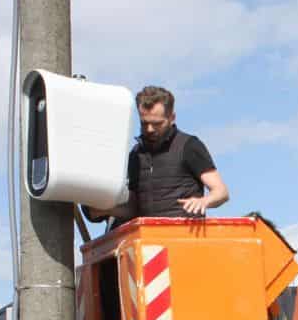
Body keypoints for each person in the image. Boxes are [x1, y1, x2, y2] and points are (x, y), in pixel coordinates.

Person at [89, 85, 229, 222]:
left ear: (172, 118)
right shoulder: (136, 154)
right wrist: (105, 210)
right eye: (144, 123)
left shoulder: (189, 146)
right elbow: (134, 208)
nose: (150, 129)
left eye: (157, 124)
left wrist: (203, 201)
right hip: (149, 235)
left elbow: (221, 192)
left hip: (184, 232)